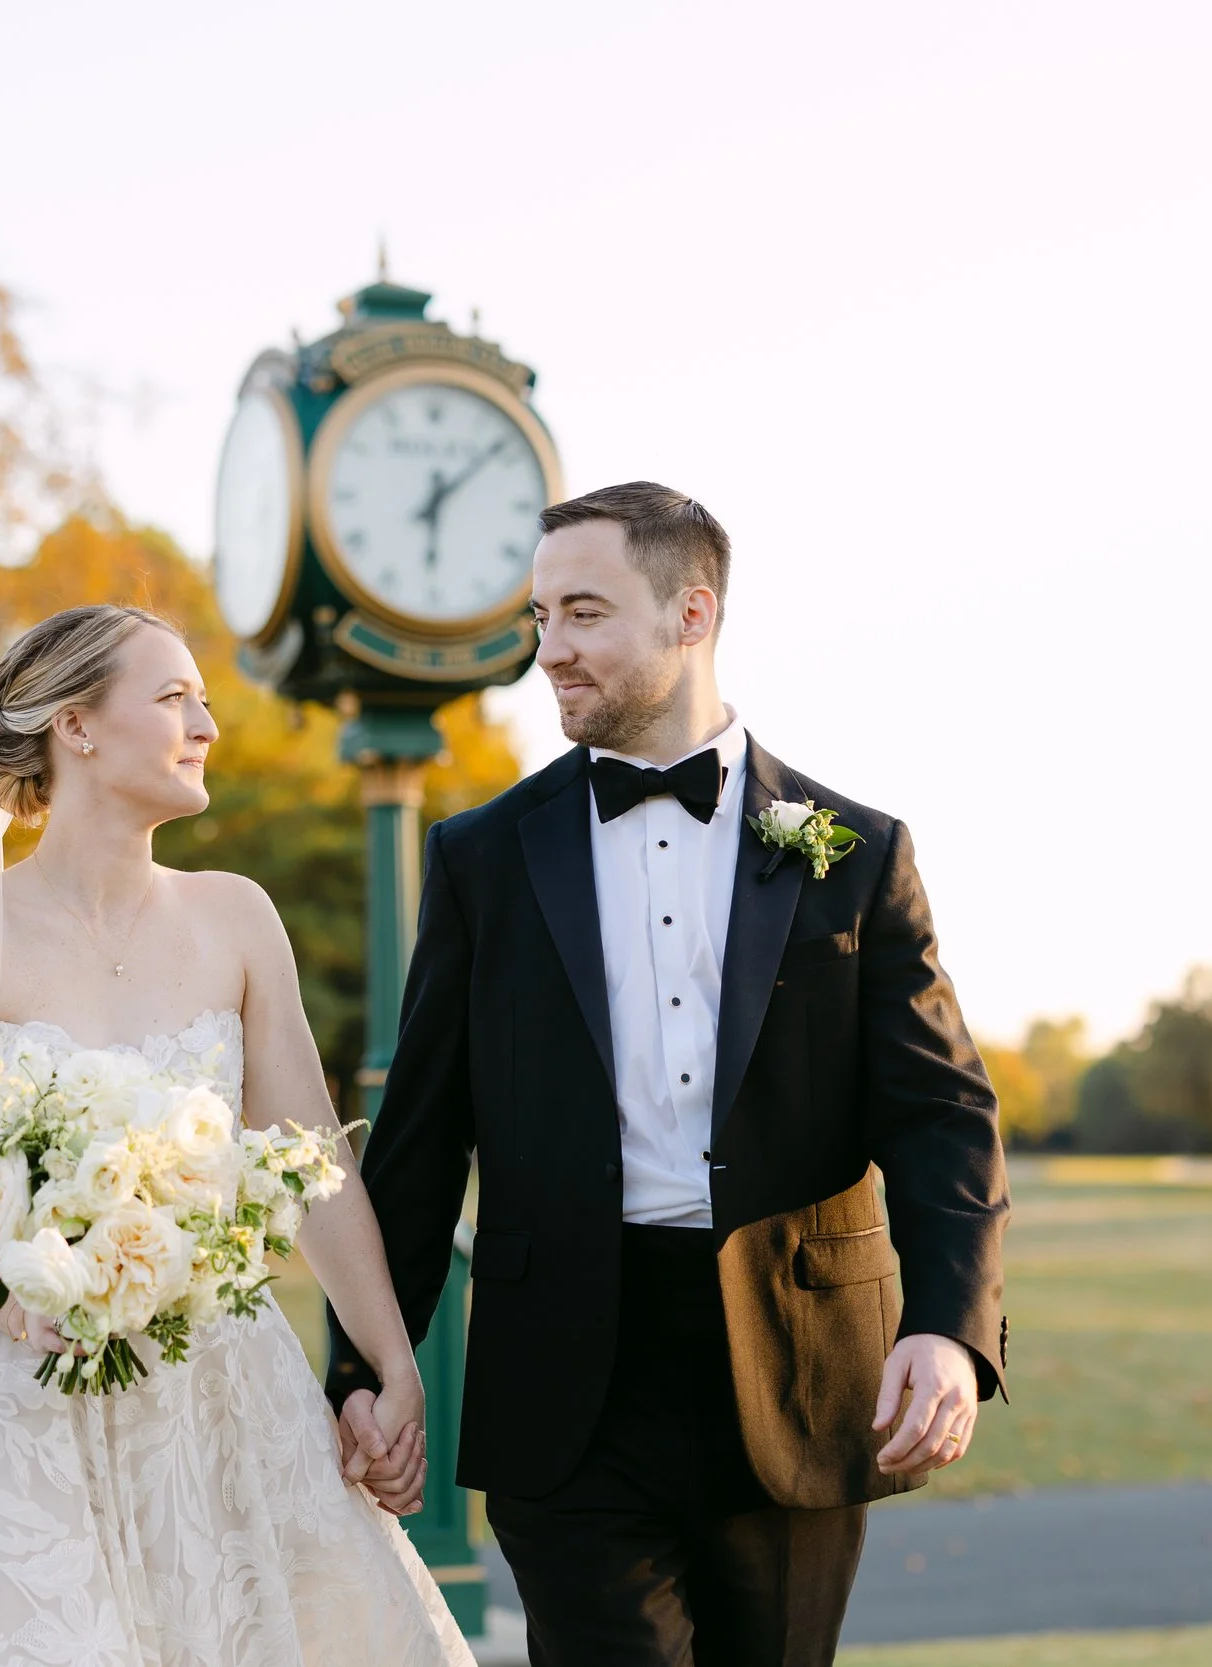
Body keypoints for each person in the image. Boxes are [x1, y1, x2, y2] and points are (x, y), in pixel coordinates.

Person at [329, 483, 1011, 1667]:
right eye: (540, 616)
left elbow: (941, 1111)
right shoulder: (482, 857)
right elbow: (422, 1139)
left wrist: (952, 1327)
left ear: (691, 614)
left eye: (583, 612)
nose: (549, 650)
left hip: (798, 1369)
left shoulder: (857, 851)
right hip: (564, 1384)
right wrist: (368, 1365)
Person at [0, 605, 468, 1666]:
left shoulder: (238, 916)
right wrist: (20, 1307)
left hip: (217, 1403)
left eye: (202, 699)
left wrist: (392, 1362)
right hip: (13, 1413)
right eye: (173, 698)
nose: (206, 722)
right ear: (75, 727)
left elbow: (316, 1163)